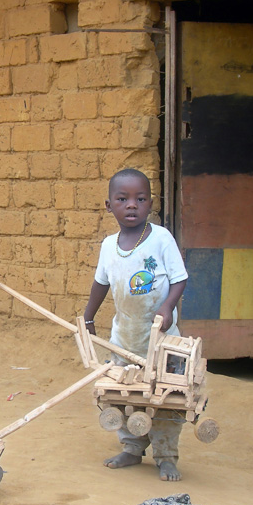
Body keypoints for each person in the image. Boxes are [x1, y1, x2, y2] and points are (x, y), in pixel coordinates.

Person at [83, 168, 189, 481]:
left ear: (150, 203)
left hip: (162, 339)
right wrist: (88, 316)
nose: (132, 205)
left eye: (140, 199)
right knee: (125, 397)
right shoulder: (108, 246)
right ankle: (131, 448)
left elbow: (179, 279)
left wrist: (168, 306)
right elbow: (101, 283)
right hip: (125, 339)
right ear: (109, 205)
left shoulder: (160, 239)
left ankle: (166, 455)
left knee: (168, 400)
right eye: (123, 199)